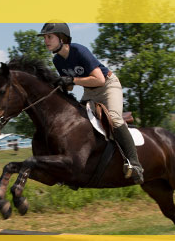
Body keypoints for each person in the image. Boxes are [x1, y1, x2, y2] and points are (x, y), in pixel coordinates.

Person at [37, 21, 144, 184]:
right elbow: (71, 87)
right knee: (78, 122)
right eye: (44, 37)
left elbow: (99, 79)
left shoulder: (79, 51)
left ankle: (135, 163)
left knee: (114, 119)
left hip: (108, 86)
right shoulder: (57, 60)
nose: (46, 41)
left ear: (62, 38)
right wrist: (58, 83)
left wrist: (72, 79)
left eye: (49, 37)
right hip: (90, 91)